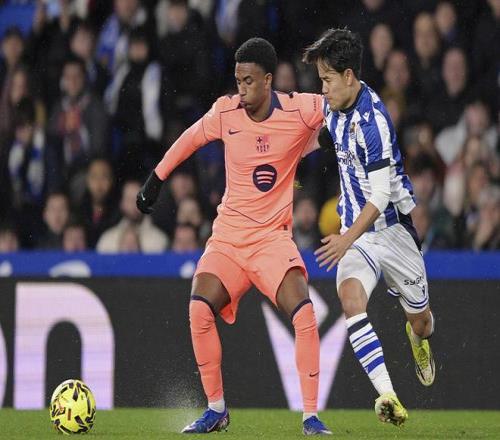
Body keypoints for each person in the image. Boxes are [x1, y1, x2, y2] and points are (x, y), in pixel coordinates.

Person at [136, 37, 331, 435]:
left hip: (272, 240)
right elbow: (190, 138)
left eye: (248, 81)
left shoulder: (300, 108)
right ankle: (216, 409)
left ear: (269, 81)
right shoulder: (226, 112)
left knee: (305, 314)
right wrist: (156, 179)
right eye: (238, 80)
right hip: (228, 239)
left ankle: (311, 417)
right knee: (198, 309)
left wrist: (337, 136)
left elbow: (342, 105)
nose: (240, 89)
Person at [303, 28, 436, 427]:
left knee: (422, 321)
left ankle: (417, 338)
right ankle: (388, 395)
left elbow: (379, 197)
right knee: (350, 300)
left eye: (327, 79)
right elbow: (322, 138)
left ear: (348, 76)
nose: (322, 88)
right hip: (355, 231)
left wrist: (345, 239)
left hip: (392, 231)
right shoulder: (333, 107)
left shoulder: (373, 122)